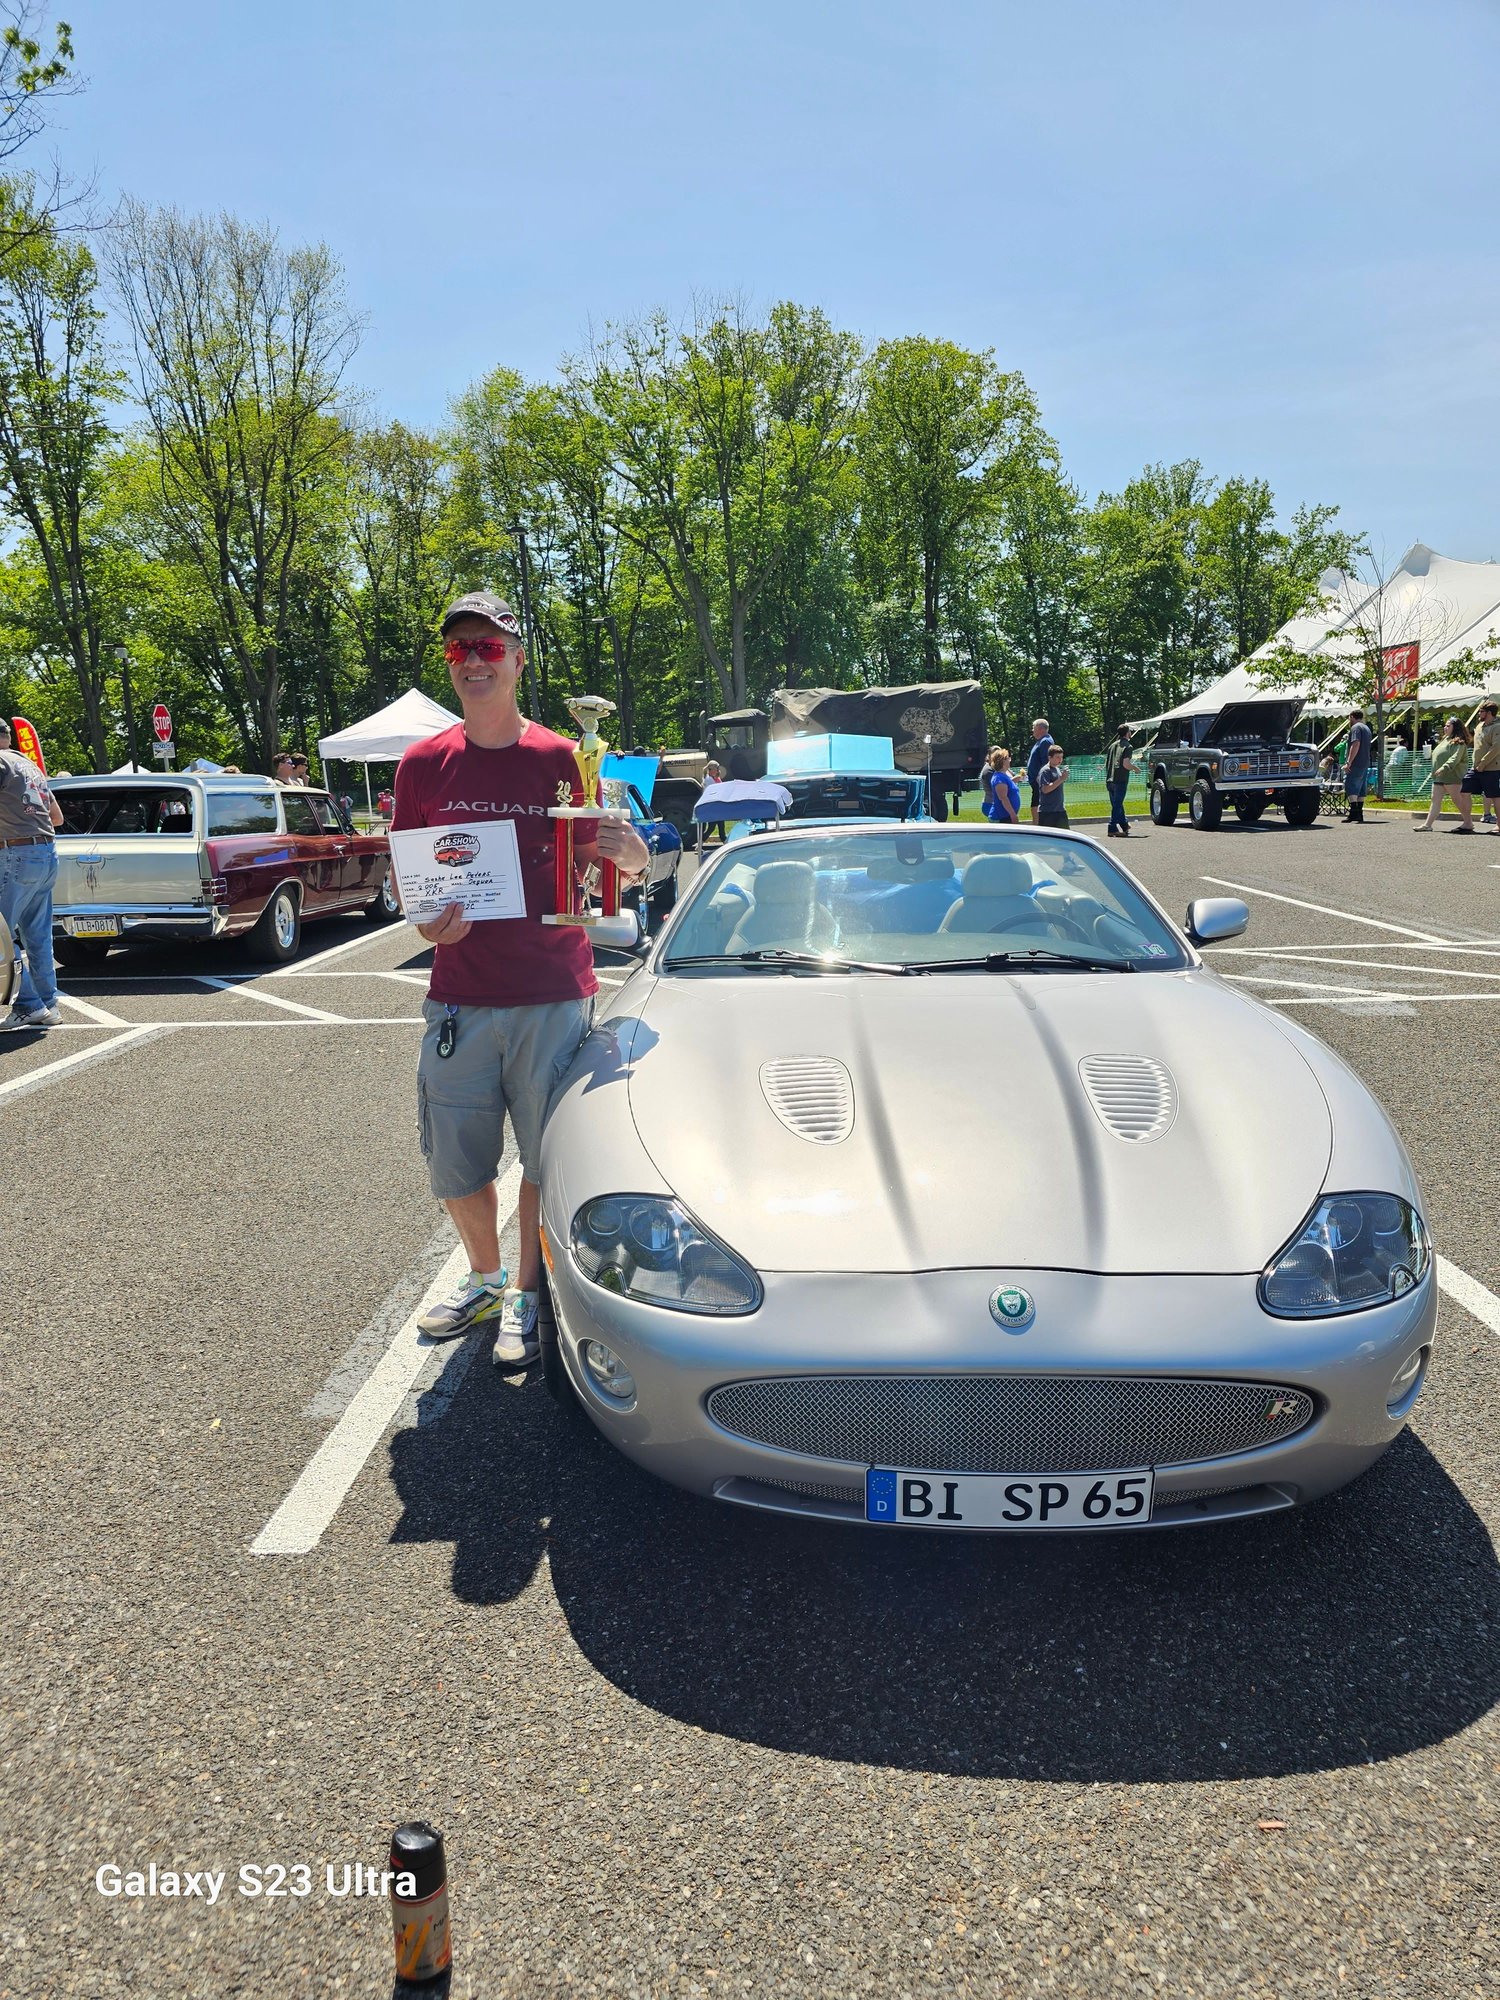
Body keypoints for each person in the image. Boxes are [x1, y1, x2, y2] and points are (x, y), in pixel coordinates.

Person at [393, 592, 650, 1363]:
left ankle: (525, 1295)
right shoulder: (422, 764)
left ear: (517, 659)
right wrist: (426, 924)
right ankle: (484, 1277)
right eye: (459, 649)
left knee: (544, 1158)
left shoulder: (566, 758)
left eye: (489, 647)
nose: (474, 661)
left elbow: (606, 862)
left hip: (551, 996)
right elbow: (411, 880)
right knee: (454, 1162)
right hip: (459, 998)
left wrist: (633, 857)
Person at [0, 715, 64, 1029]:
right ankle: (48, 1004)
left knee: (1, 937)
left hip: (16, 854)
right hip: (46, 852)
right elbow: (57, 817)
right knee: (37, 935)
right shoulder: (29, 765)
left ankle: (29, 1004)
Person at [1416, 718, 1473, 832]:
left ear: (1455, 728)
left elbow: (1455, 758)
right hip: (1439, 777)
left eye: (1448, 726)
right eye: (1445, 726)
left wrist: (1444, 767)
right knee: (1435, 800)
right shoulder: (1445, 740)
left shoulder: (1459, 743)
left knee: (1457, 800)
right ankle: (1427, 825)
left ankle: (1468, 822)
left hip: (1452, 776)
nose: (1445, 728)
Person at [1471, 699, 1500, 831]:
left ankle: (1499, 825)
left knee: (1494, 795)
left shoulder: (1497, 726)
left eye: (1481, 711)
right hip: (1475, 767)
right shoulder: (1479, 726)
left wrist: (1483, 763)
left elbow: (1496, 747)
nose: (1479, 713)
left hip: (1491, 767)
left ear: (1488, 713)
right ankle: (1468, 823)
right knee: (1463, 790)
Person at [1342, 708, 1373, 823]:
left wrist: (1349, 762)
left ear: (1352, 717)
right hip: (1365, 761)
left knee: (1350, 785)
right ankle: (1359, 813)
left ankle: (1353, 813)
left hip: (1356, 761)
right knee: (1361, 788)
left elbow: (1356, 744)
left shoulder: (1355, 728)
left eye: (1349, 718)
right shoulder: (1366, 728)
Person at [1104, 723, 1135, 837]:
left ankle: (1124, 825)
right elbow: (1126, 764)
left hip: (1109, 779)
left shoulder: (1112, 746)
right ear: (1127, 733)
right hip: (1120, 779)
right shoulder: (1128, 746)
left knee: (1117, 804)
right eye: (1130, 731)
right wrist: (1135, 768)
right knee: (1117, 805)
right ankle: (1112, 828)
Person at [1025, 718, 1053, 823]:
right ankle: (1037, 823)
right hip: (1036, 780)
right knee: (1035, 802)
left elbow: (1046, 761)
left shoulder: (1045, 742)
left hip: (1039, 781)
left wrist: (1040, 776)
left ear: (1041, 729)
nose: (1032, 730)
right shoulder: (1041, 741)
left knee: (1036, 803)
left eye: (1034, 728)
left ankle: (1038, 825)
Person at [1036, 742, 1069, 827]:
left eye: (1061, 757)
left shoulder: (1057, 769)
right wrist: (1061, 779)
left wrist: (1062, 778)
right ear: (1050, 758)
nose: (1060, 760)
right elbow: (1045, 789)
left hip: (1059, 810)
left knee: (1065, 834)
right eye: (1057, 757)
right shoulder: (1046, 771)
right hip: (1048, 812)